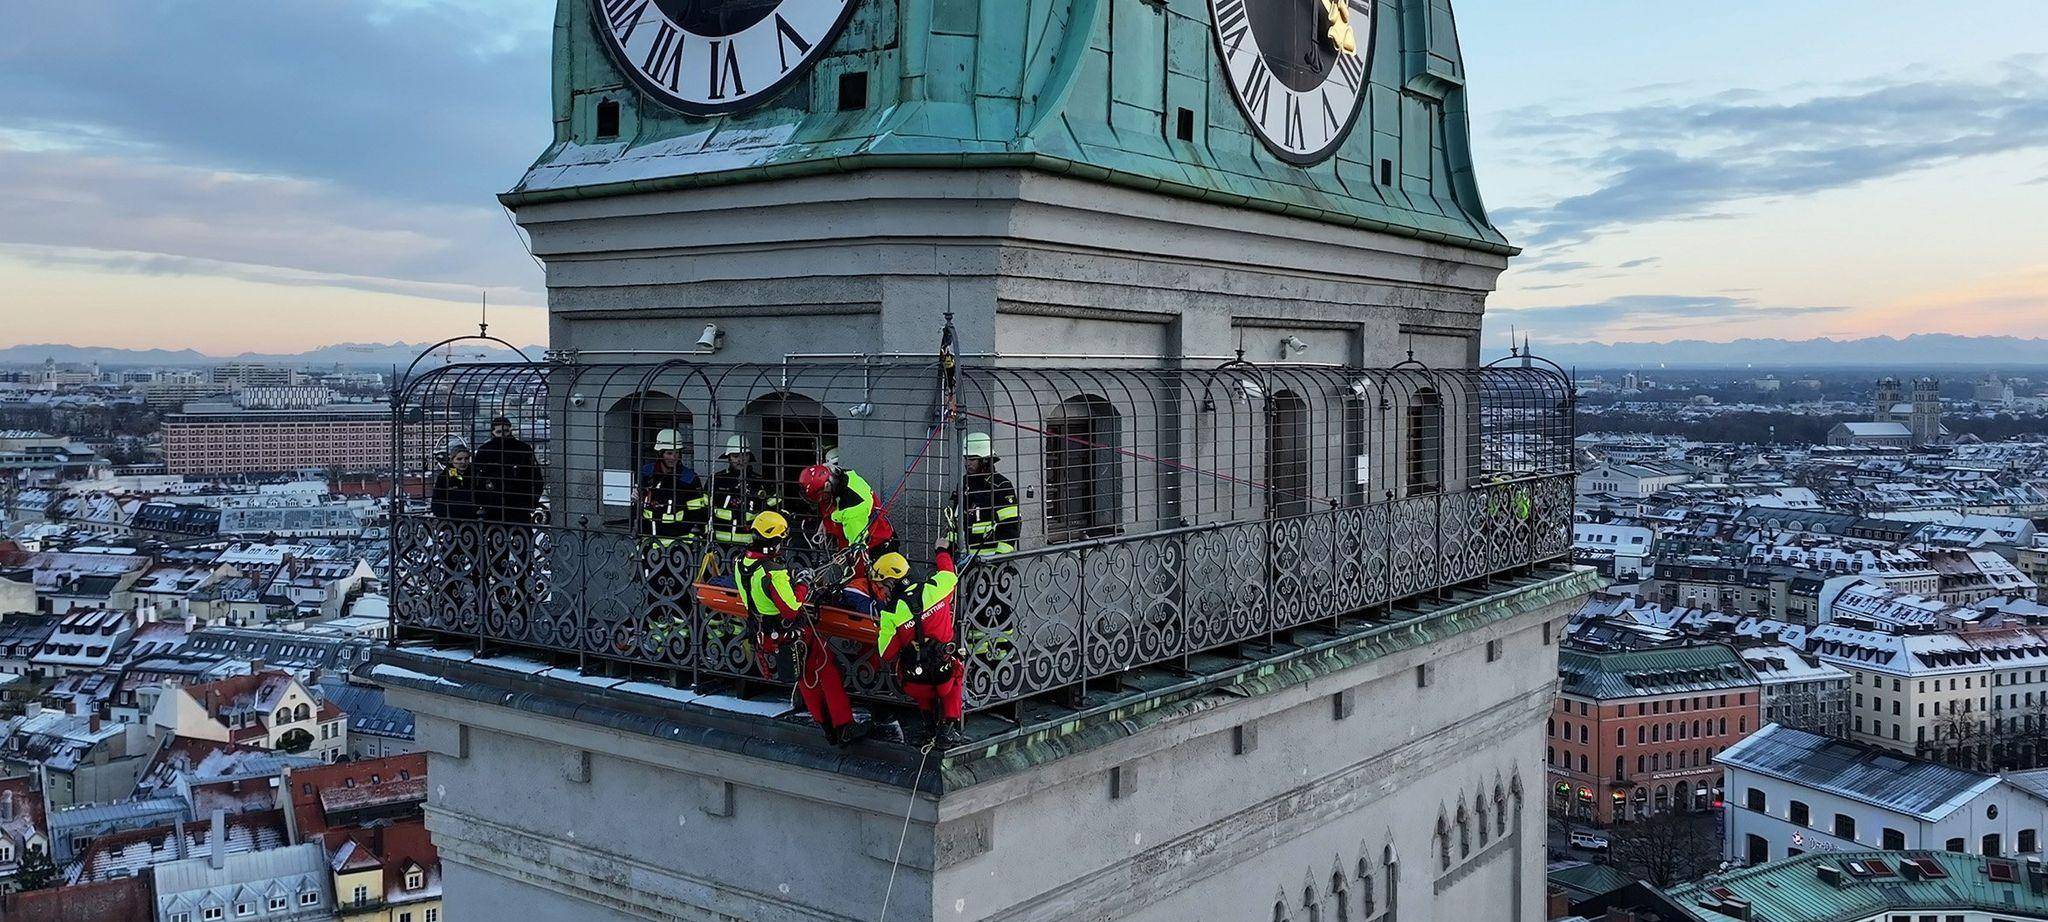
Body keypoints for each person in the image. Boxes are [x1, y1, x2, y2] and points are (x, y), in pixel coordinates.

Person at [737, 511, 867, 746]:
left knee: (806, 679)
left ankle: (827, 727)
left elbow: (759, 598)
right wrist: (802, 584)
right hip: (792, 633)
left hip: (765, 632)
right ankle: (844, 726)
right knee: (826, 672)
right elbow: (791, 608)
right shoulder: (772, 572)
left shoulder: (742, 564)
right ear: (775, 541)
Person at [873, 546, 962, 746]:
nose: (882, 592)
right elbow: (949, 573)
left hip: (916, 684)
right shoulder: (935, 588)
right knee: (957, 667)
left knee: (912, 667)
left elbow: (886, 653)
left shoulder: (890, 613)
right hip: (944, 677)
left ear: (891, 581)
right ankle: (948, 727)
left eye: (882, 586)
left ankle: (929, 725)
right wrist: (941, 550)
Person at [952, 432, 1020, 555]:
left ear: (985, 460)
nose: (967, 463)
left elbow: (1011, 526)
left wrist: (998, 560)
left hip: (989, 558)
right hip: (964, 555)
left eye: (972, 459)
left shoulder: (1001, 485)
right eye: (966, 458)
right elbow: (956, 520)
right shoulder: (963, 483)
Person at [638, 428, 709, 546]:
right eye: (669, 453)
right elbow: (638, 508)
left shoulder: (689, 478)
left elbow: (698, 515)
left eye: (677, 453)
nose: (674, 457)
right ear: (660, 453)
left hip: (679, 545)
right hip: (648, 543)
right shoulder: (646, 472)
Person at [710, 436, 779, 547]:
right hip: (720, 546)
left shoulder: (760, 481)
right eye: (736, 456)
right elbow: (705, 511)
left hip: (751, 545)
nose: (740, 460)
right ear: (729, 458)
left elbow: (775, 511)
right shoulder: (717, 480)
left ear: (749, 457)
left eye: (744, 456)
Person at [472, 415, 542, 523]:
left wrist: (531, 501)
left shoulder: (523, 449)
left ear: (510, 430)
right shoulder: (484, 451)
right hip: (492, 505)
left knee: (522, 536)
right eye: (499, 432)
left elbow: (536, 477)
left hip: (518, 504)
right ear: (493, 432)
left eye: (505, 431)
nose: (503, 435)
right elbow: (475, 478)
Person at [430, 444, 480, 521]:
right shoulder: (444, 477)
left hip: (473, 520)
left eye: (466, 458)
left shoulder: (475, 474)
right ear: (452, 460)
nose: (463, 462)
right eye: (459, 459)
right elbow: (436, 503)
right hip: (452, 521)